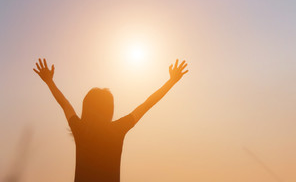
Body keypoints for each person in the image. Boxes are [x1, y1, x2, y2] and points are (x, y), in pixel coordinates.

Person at [33, 58, 188, 182]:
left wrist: (49, 81)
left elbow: (64, 103)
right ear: (109, 109)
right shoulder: (117, 129)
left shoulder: (80, 129)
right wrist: (171, 81)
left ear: (86, 108)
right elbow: (147, 104)